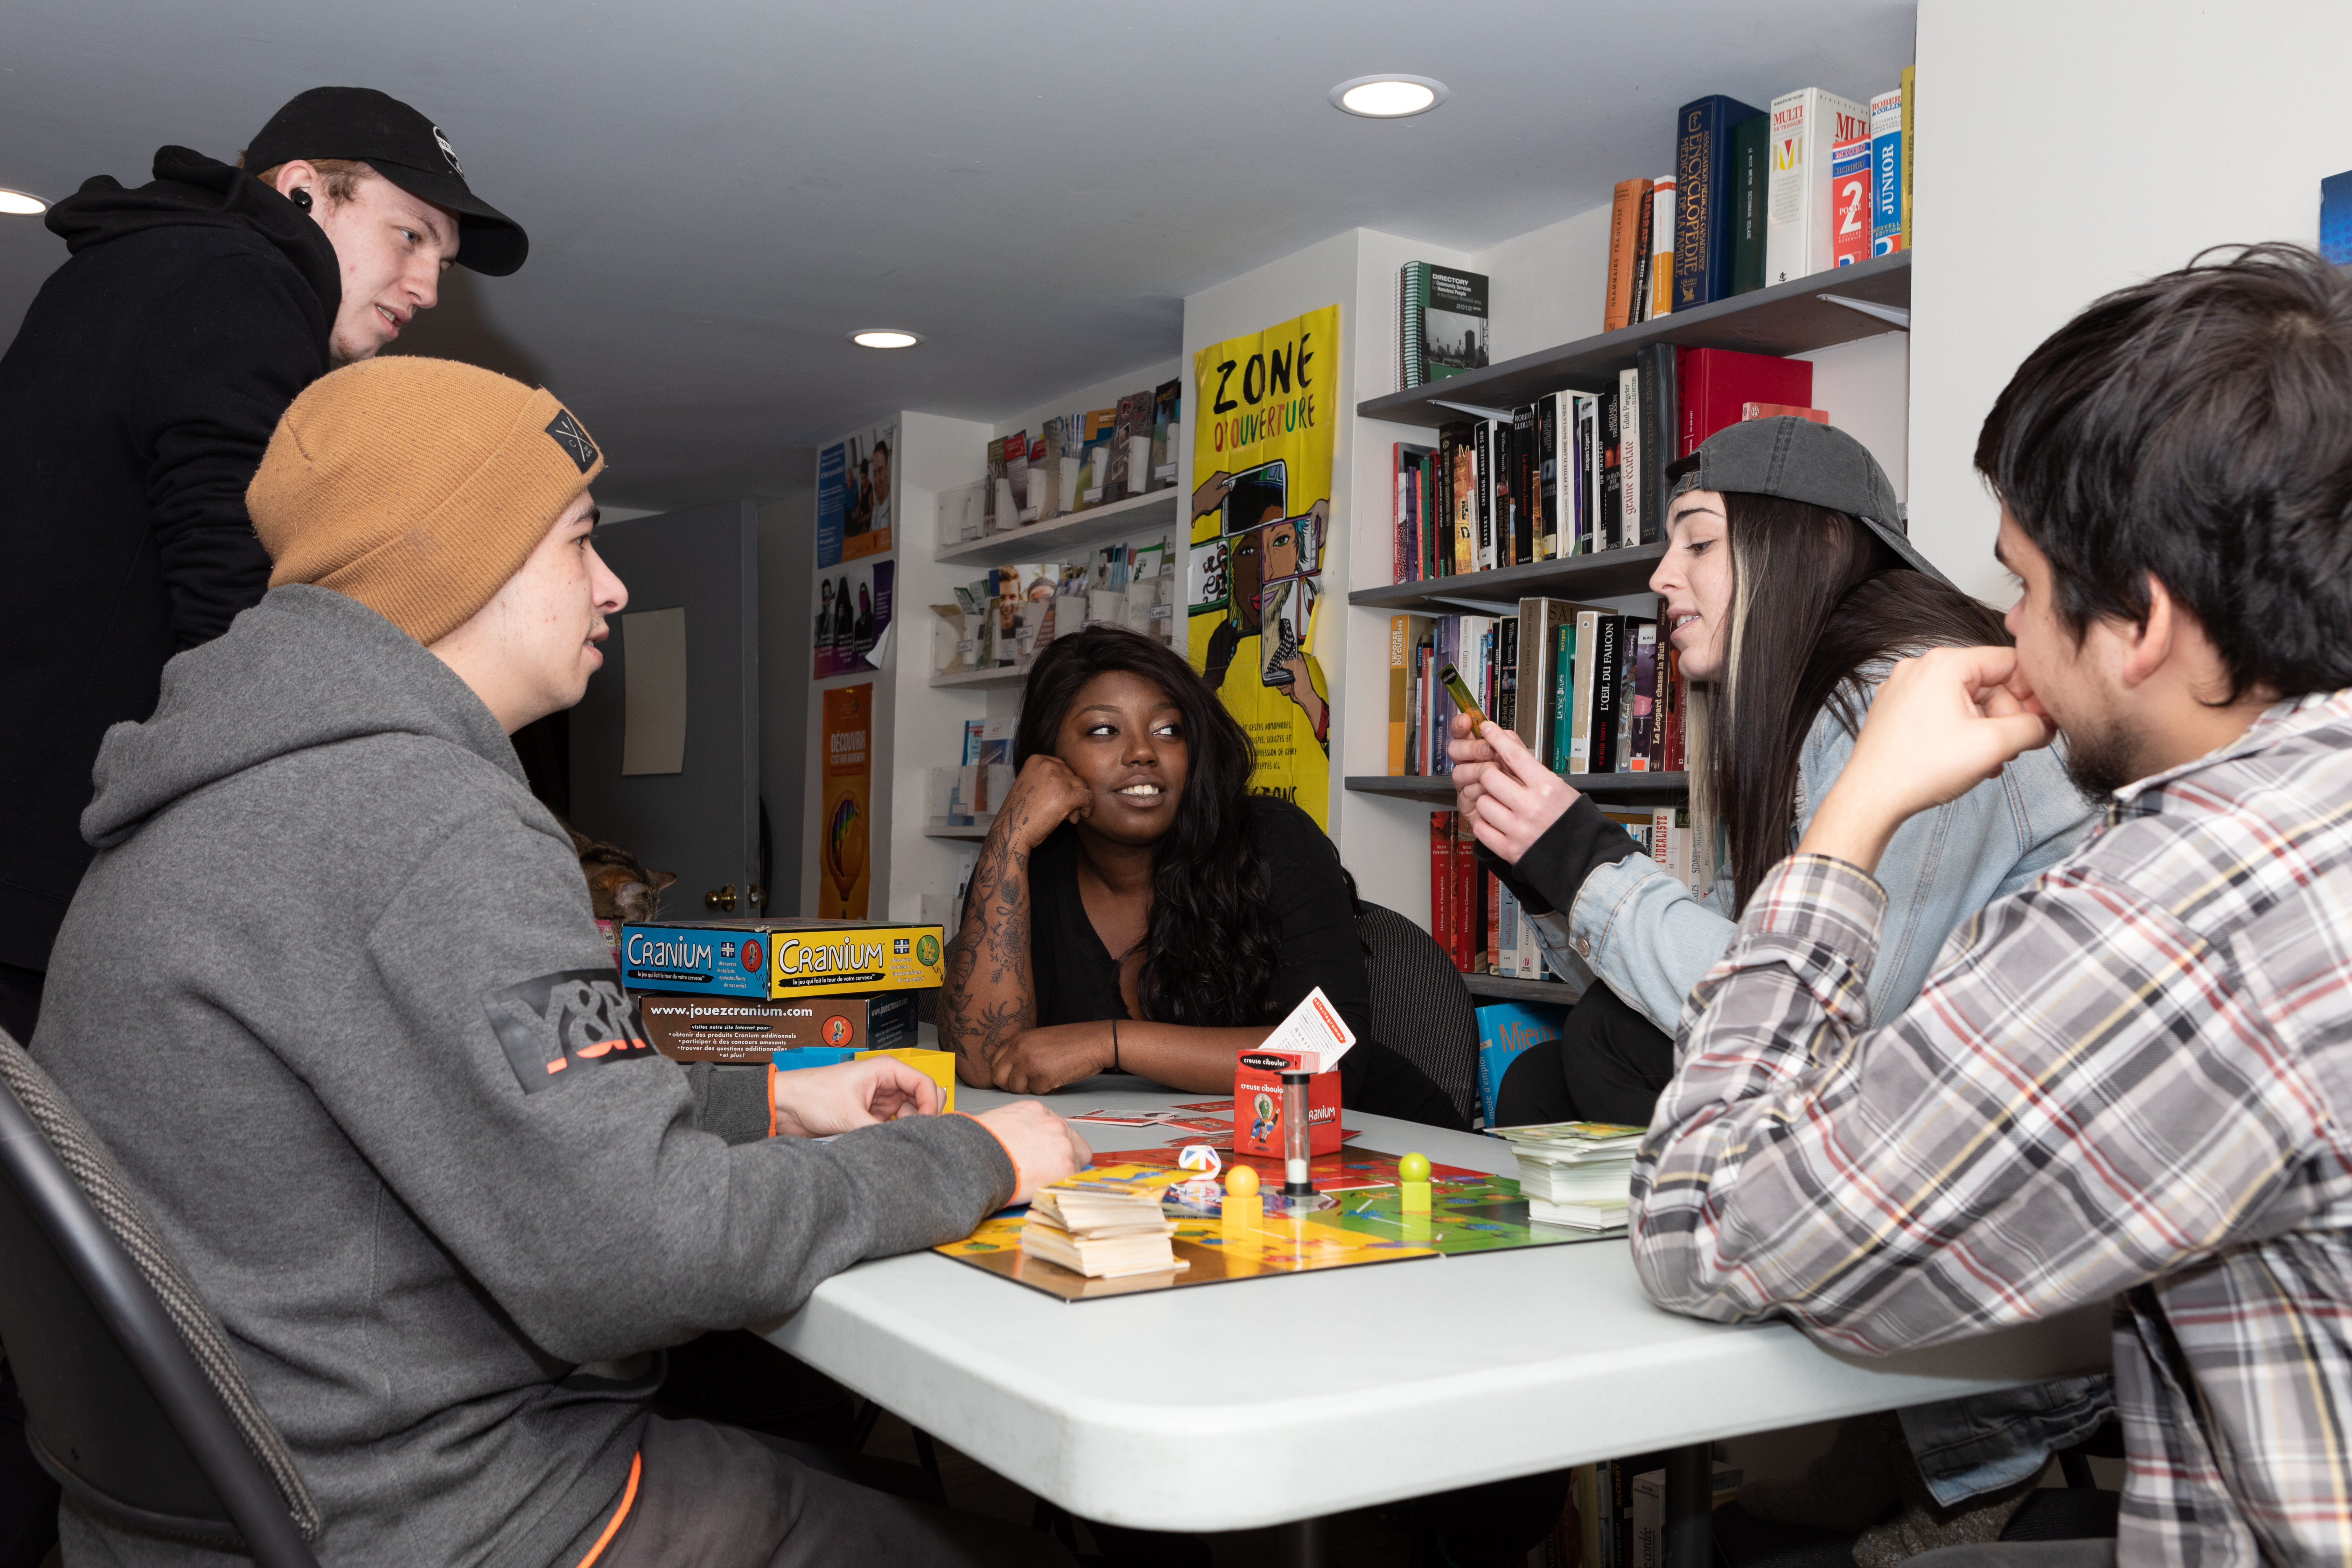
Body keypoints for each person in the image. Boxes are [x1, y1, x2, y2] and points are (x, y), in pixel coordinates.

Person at [28, 355, 1088, 1567]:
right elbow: (647, 1258)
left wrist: (768, 1098)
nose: (615, 586)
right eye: (582, 541)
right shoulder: (427, 820)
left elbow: (437, 1094)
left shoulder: (219, 806)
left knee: (812, 1457)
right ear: (459, 556)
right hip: (452, 1519)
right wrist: (971, 1154)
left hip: (216, 1516)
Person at [1628, 243, 2352, 1567]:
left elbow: (1705, 1225)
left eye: (2019, 584)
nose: (2005, 630)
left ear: (2141, 621)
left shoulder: (2190, 918)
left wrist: (1851, 825)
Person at [1450, 419, 2105, 1551]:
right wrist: (1561, 862)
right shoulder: (1829, 704)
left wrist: (1583, 862)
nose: (1661, 577)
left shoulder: (1894, 705)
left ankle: (1935, 1462)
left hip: (2001, 1273)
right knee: (1583, 1051)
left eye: (1696, 544)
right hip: (1949, 1211)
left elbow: (1821, 1021)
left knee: (1589, 1059)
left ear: (1796, 546)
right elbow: (1767, 948)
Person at [0, 86, 526, 1049]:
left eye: (442, 262)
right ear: (300, 194)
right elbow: (237, 609)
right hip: (49, 881)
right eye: (410, 238)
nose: (429, 288)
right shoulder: (239, 282)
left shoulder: (136, 269)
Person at [943, 625, 1458, 1126]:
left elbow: (1329, 1057)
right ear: (1049, 761)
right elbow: (987, 1061)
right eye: (1104, 730)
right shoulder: (1035, 868)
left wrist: (1109, 1042)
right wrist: (1007, 838)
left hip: (1379, 1148)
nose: (1143, 752)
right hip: (1179, 1164)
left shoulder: (1272, 840)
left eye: (1169, 730)